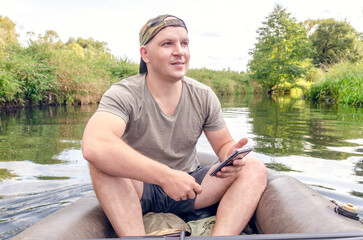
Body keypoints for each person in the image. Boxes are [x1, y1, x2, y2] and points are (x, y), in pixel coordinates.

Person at [81, 14, 267, 237]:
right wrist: (166, 176)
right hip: (140, 189)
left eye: (184, 43)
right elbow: (94, 144)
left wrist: (231, 155)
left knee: (254, 167)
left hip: (191, 188)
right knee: (100, 162)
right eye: (168, 43)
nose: (180, 51)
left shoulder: (203, 95)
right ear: (145, 54)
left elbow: (223, 144)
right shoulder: (123, 94)